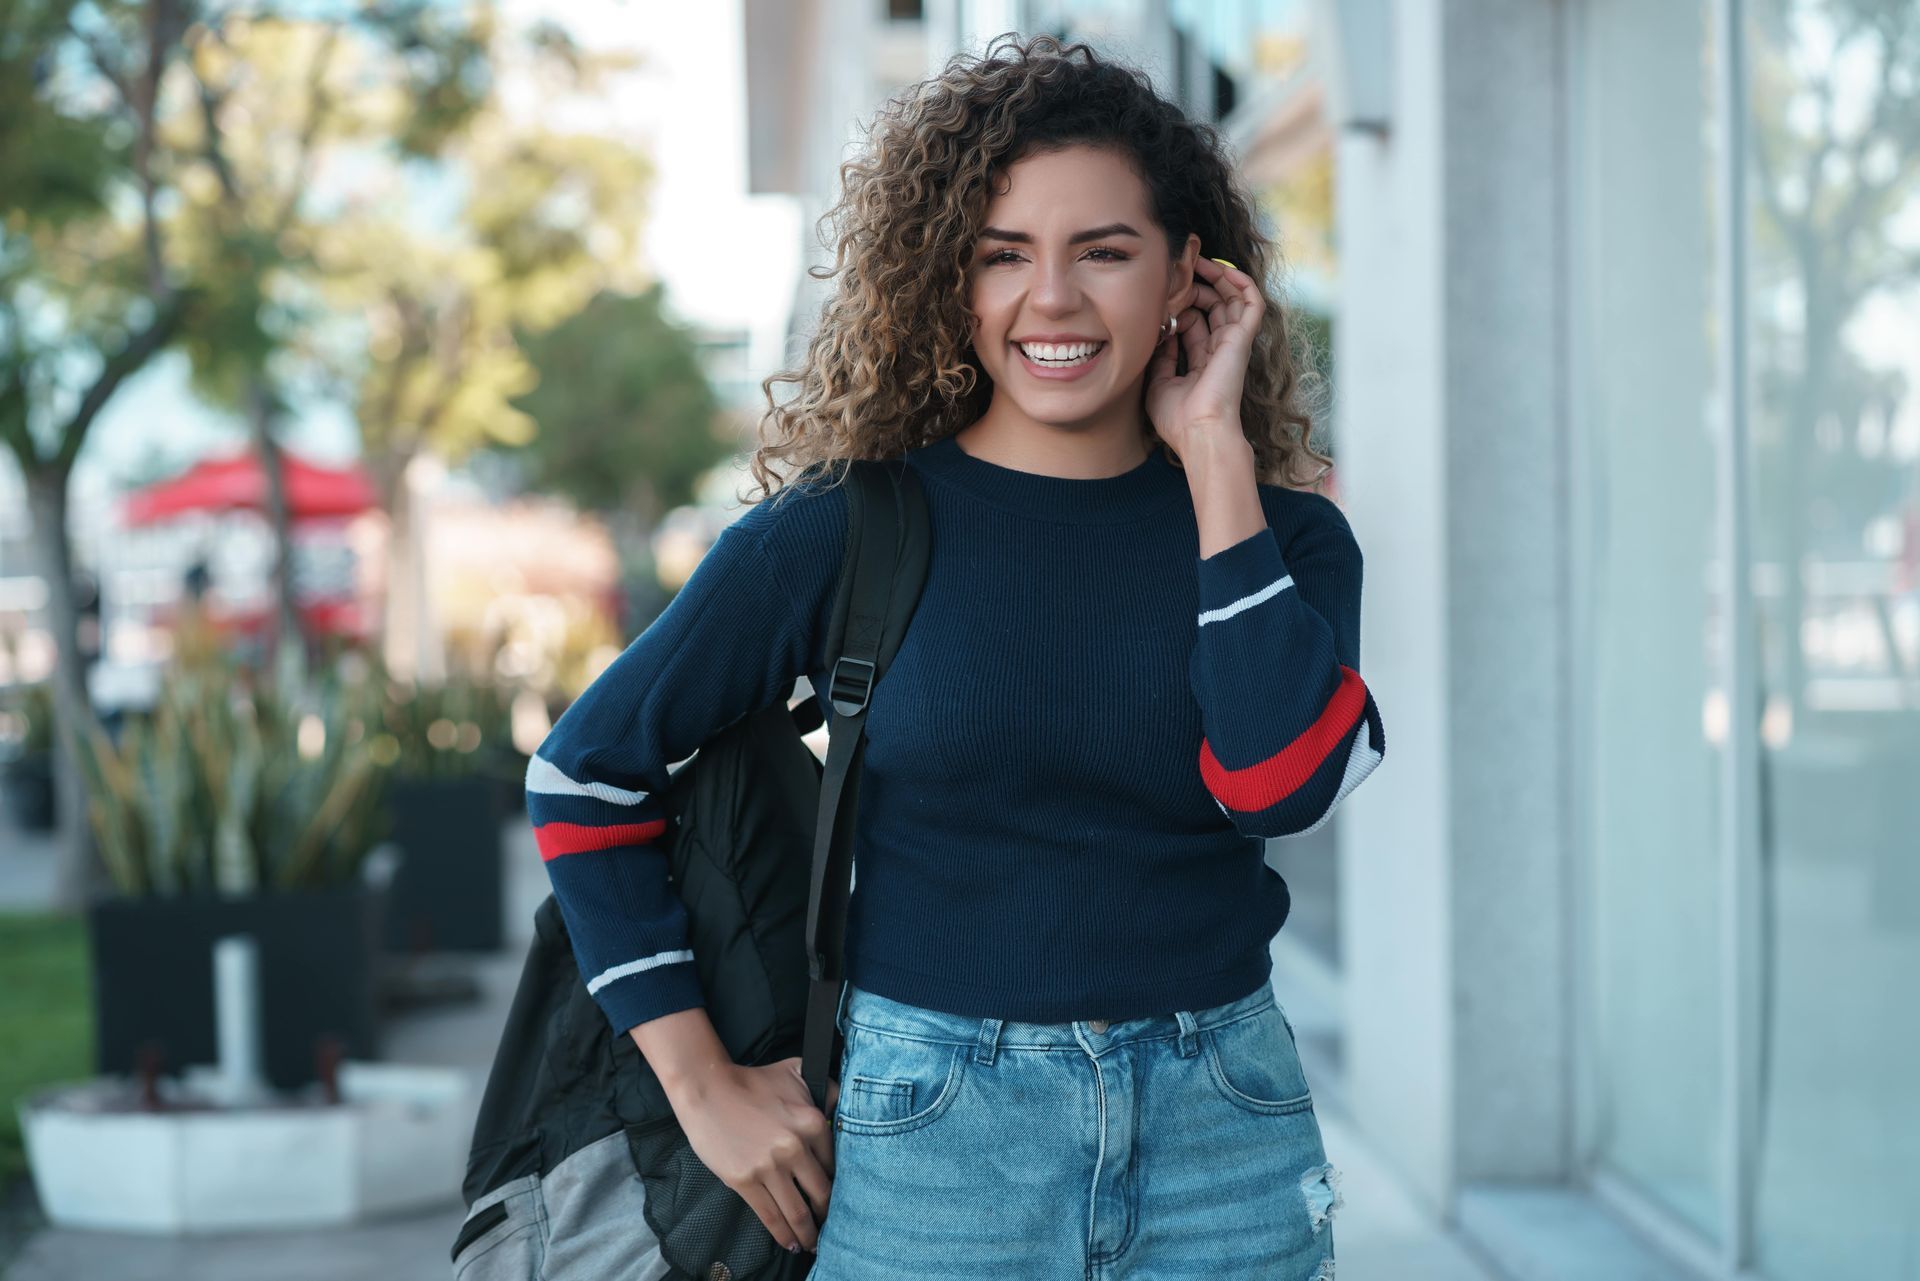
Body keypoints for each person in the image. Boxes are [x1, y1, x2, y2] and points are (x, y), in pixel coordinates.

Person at [525, 32, 1384, 1279]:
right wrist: (702, 1087)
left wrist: (1214, 455)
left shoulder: (1282, 539)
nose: (1053, 297)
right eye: (1003, 254)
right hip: (933, 1139)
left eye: (1104, 251)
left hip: (1224, 1130)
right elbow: (584, 774)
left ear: (1188, 276)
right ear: (952, 280)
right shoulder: (843, 528)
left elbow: (1280, 786)